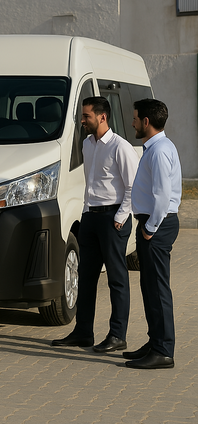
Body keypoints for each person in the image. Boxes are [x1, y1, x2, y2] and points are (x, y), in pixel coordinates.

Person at [52, 97, 138, 352]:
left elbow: (133, 187)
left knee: (117, 280)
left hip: (114, 220)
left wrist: (120, 218)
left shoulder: (121, 147)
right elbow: (91, 184)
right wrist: (86, 211)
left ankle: (118, 334)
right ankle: (83, 332)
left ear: (102, 117)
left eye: (86, 116)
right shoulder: (87, 145)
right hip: (90, 218)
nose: (82, 120)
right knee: (86, 278)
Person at [124, 99, 181, 370]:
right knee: (149, 287)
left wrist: (149, 229)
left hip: (156, 225)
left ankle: (163, 350)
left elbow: (162, 195)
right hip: (153, 224)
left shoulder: (158, 151)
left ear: (146, 122)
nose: (133, 122)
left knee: (157, 289)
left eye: (135, 118)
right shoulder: (158, 147)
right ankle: (155, 341)